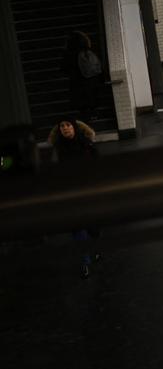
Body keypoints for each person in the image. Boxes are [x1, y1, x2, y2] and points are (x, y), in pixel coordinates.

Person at [49, 117, 98, 278]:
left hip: (88, 191)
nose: (65, 128)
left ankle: (95, 246)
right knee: (78, 228)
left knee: (92, 227)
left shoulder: (87, 144)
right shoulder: (56, 150)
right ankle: (85, 261)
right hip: (69, 194)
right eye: (61, 126)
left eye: (68, 125)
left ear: (75, 127)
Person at [61, 31, 102, 120]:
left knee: (83, 108)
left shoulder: (69, 54)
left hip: (78, 84)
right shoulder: (88, 51)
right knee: (91, 101)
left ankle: (86, 120)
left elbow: (64, 68)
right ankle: (94, 115)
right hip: (91, 82)